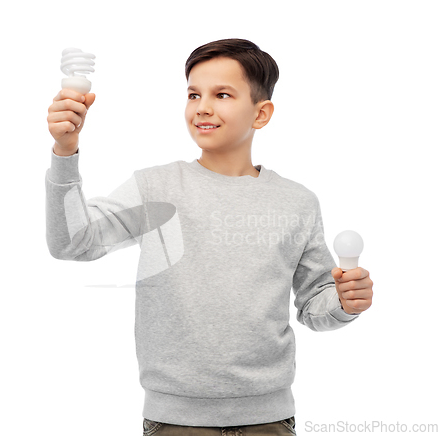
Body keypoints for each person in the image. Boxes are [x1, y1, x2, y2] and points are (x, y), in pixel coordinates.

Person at [45, 38, 374, 435]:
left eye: (222, 94)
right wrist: (65, 151)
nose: (202, 107)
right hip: (175, 421)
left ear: (261, 113)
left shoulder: (297, 202)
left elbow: (313, 307)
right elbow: (73, 242)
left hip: (268, 421)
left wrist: (344, 301)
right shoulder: (155, 187)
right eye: (193, 94)